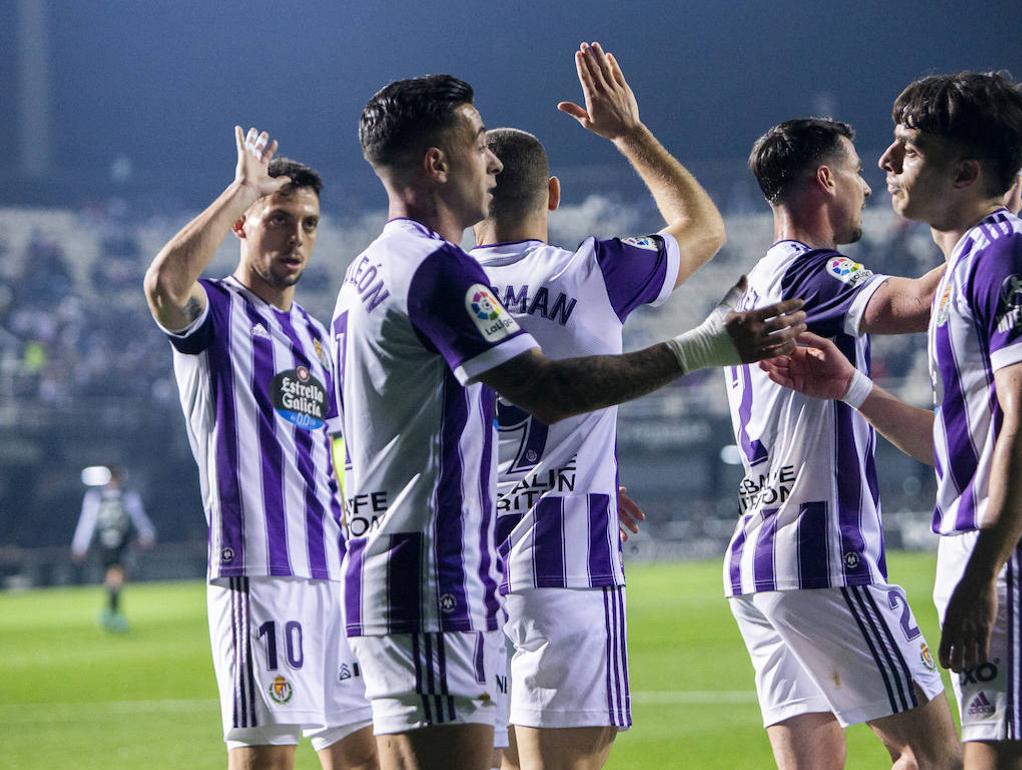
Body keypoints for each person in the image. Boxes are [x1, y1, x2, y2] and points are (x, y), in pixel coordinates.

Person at [333, 65, 805, 770]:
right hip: (466, 571)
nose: (485, 158)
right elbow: (543, 390)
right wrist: (708, 345)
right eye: (472, 143)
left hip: (417, 565)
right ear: (438, 163)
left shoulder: (367, 269)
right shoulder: (464, 269)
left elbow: (445, 417)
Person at [761, 71, 1022, 769]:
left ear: (966, 173)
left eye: (909, 149)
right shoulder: (975, 261)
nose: (886, 163)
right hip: (989, 547)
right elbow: (958, 448)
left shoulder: (1008, 256)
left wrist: (984, 573)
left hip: (1021, 552)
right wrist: (852, 389)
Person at [469, 42, 725, 770]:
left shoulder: (432, 289)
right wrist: (628, 134)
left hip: (463, 575)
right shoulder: (593, 270)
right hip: (566, 572)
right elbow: (703, 228)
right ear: (550, 195)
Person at [722, 117, 960, 770]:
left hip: (756, 560)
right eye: (855, 171)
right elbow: (917, 301)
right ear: (825, 180)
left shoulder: (741, 291)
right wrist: (994, 228)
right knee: (940, 758)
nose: (867, 187)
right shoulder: (814, 276)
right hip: (821, 555)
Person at [143, 127, 377, 770]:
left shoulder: (313, 336)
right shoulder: (215, 313)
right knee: (266, 764)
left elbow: (329, 462)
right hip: (263, 576)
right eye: (277, 220)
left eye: (307, 223)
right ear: (243, 227)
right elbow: (163, 286)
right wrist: (242, 188)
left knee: (371, 761)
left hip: (333, 577)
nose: (295, 236)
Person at [71, 464, 156, 633]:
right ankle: (111, 612)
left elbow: (87, 522)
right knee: (116, 575)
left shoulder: (96, 496)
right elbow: (138, 517)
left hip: (107, 542)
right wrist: (147, 533)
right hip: (117, 543)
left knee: (113, 576)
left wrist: (80, 544)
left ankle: (110, 611)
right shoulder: (126, 496)